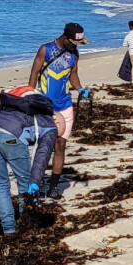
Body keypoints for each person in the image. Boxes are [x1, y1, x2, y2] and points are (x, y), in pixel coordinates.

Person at [0, 86, 58, 235]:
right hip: (11, 137)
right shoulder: (51, 127)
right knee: (24, 185)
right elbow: (42, 156)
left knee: (1, 185)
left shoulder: (22, 108)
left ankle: (8, 230)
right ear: (58, 123)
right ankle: (26, 226)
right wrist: (34, 181)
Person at [28, 23, 88, 199]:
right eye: (74, 42)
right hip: (45, 106)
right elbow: (34, 72)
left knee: (60, 145)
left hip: (65, 105)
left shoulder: (74, 54)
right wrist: (29, 95)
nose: (76, 46)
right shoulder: (45, 50)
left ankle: (53, 187)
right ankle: (35, 183)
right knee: (42, 146)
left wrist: (80, 89)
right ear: (66, 38)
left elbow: (73, 75)